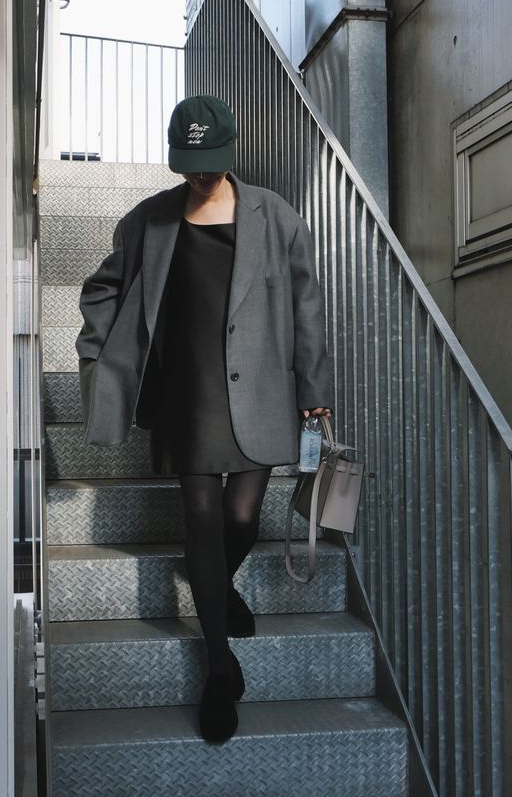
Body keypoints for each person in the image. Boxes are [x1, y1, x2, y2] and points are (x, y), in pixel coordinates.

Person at [75, 94, 332, 743]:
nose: (201, 175)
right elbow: (102, 287)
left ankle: (218, 583)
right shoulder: (148, 221)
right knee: (202, 517)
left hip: (261, 389)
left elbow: (306, 305)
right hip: (186, 395)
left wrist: (315, 388)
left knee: (241, 518)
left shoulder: (274, 216)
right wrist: (100, 353)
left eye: (210, 163)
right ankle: (219, 665)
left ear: (230, 151)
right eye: (190, 165)